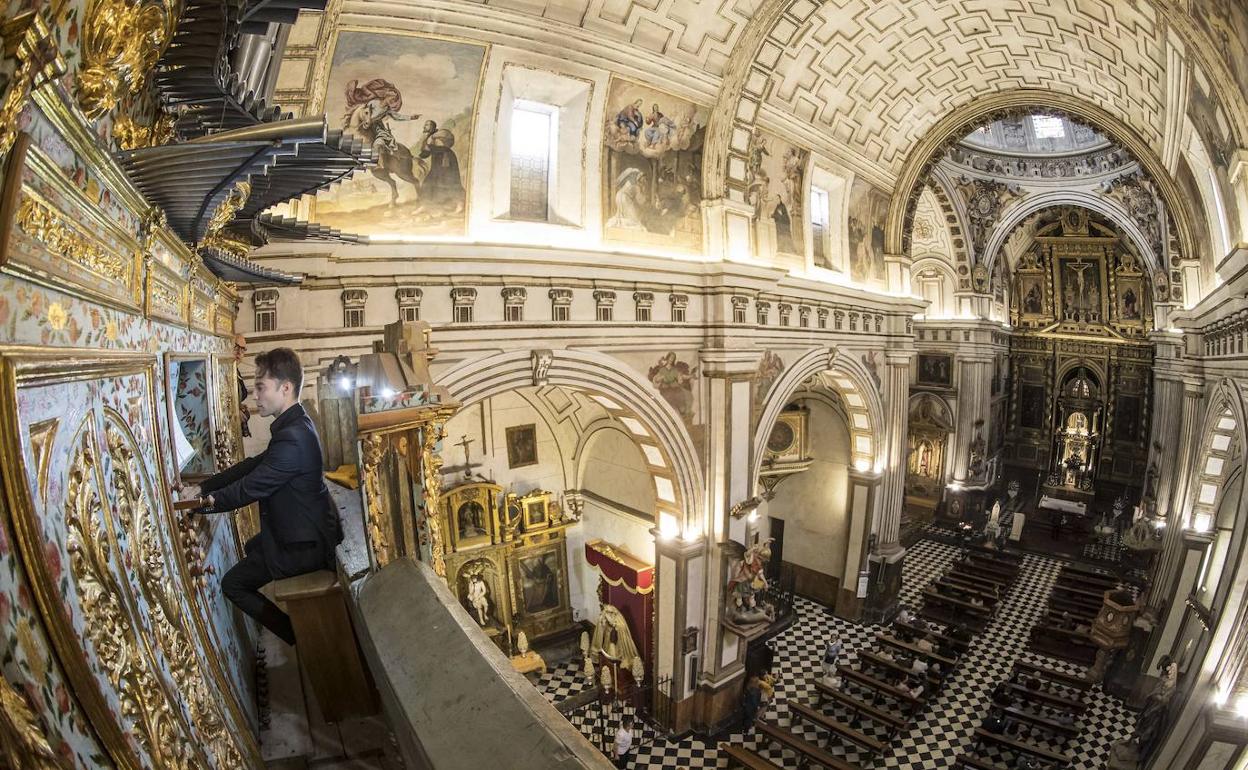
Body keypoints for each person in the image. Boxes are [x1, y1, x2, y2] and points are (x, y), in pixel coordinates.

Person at [181, 348, 342, 646]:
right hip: (302, 532)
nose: (255, 396)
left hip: (305, 546)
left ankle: (300, 636)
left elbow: (250, 487)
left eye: (260, 387)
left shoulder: (293, 437)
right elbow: (251, 466)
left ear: (285, 388)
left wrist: (201, 505)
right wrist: (204, 488)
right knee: (251, 545)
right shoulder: (294, 426)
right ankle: (299, 630)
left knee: (233, 584)